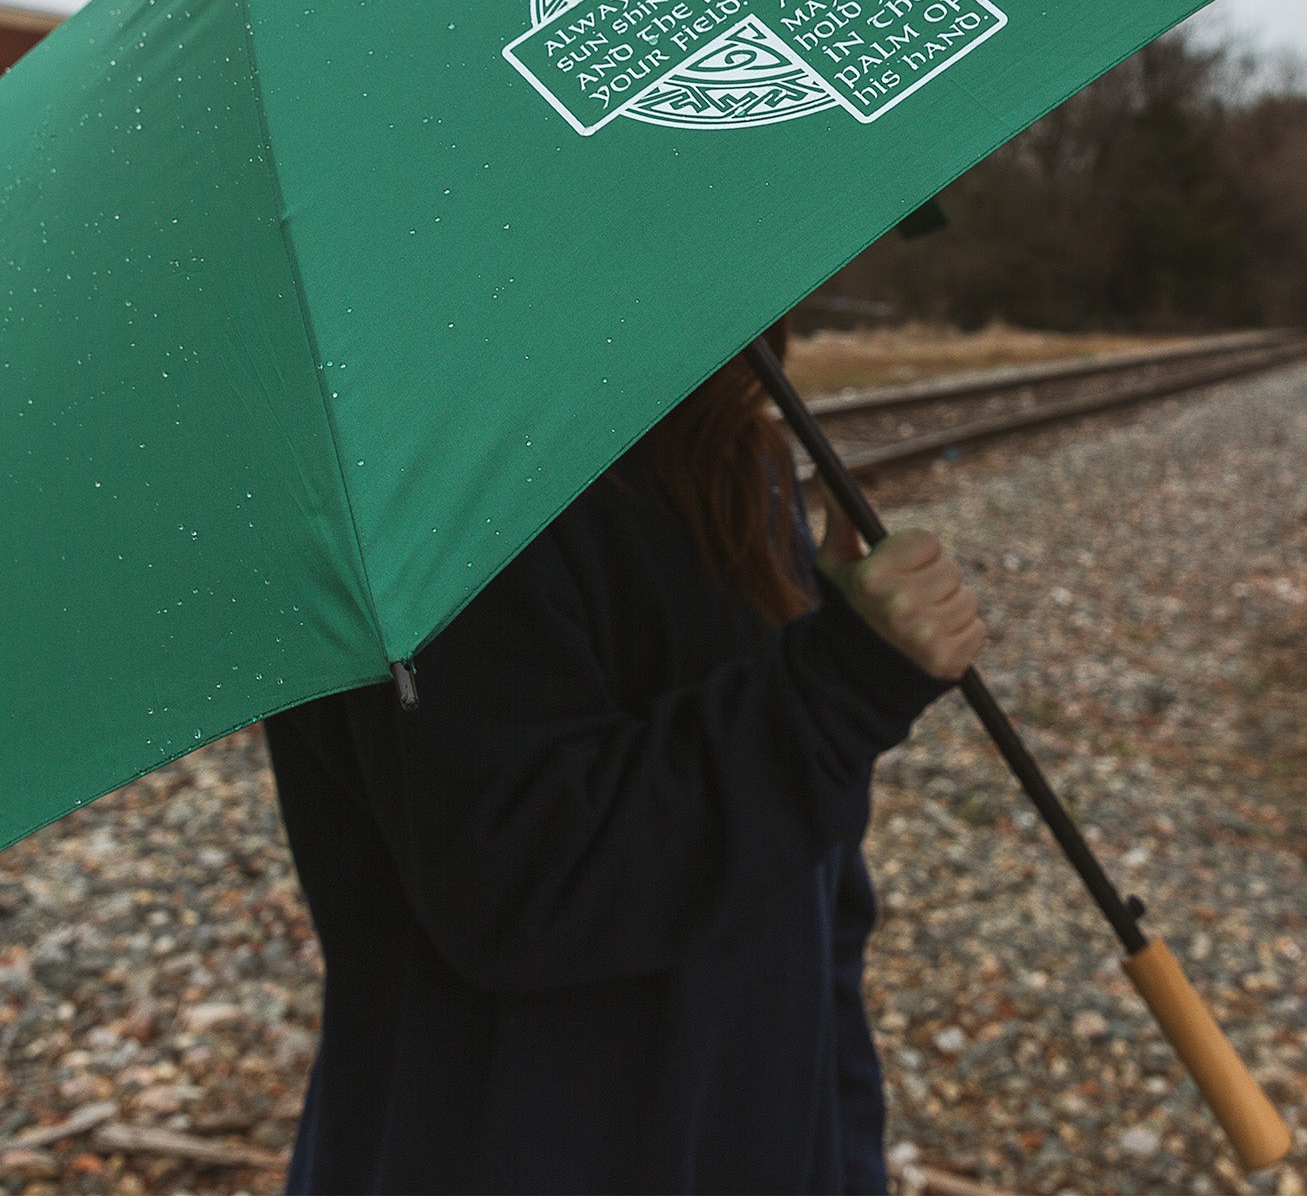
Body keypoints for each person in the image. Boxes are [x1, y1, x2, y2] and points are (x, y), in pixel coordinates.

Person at [264, 321, 987, 1194]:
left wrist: (838, 1152)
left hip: (753, 1134)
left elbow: (810, 891)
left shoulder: (725, 446)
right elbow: (523, 880)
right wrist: (837, 693)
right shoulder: (420, 483)